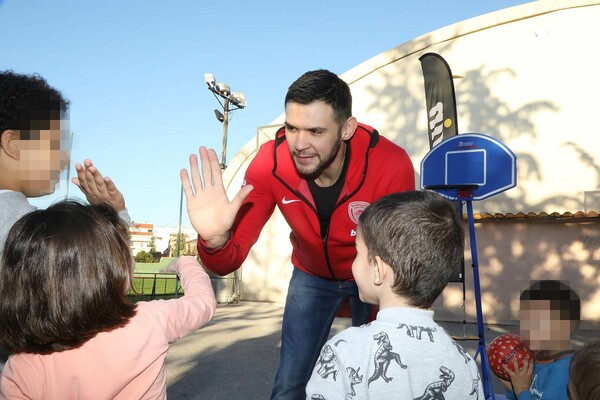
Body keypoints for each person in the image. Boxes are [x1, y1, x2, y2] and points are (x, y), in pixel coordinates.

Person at [181, 69, 415, 399]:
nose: (300, 144)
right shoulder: (269, 164)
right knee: (291, 382)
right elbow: (227, 260)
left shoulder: (390, 164)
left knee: (376, 382)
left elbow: (400, 262)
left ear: (346, 128)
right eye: (292, 128)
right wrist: (214, 240)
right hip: (311, 275)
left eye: (315, 131)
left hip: (374, 275)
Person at [0, 201, 217, 399]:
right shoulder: (149, 321)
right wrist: (185, 263)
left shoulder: (21, 369)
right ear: (111, 269)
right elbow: (203, 302)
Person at [304, 190, 484, 399]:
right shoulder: (463, 362)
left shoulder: (345, 350)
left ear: (378, 269)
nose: (353, 263)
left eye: (357, 253)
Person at [0, 70, 131, 258]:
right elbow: (107, 270)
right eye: (55, 144)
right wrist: (115, 213)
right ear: (13, 144)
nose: (65, 158)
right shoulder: (29, 231)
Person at [501, 280, 580, 400]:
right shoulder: (539, 359)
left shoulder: (564, 371)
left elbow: (526, 394)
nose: (525, 330)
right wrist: (513, 387)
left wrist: (522, 390)